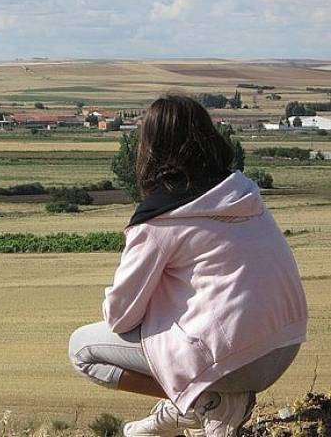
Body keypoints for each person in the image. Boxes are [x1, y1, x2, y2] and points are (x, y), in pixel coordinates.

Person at [68, 95, 307, 437]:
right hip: (285, 344)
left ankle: (205, 401)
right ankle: (194, 403)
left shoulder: (159, 221)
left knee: (82, 349)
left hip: (235, 363)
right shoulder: (242, 193)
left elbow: (120, 317)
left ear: (149, 148)